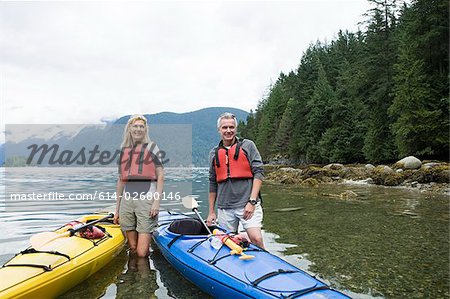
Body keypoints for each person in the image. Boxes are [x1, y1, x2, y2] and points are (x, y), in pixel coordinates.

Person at [206, 112, 265, 248]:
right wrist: (211, 211)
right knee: (228, 243)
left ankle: (266, 266)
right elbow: (212, 182)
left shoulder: (248, 146)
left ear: (236, 129)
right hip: (225, 207)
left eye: (231, 127)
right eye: (225, 127)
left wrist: (252, 201)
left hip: (247, 205)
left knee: (256, 238)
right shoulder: (213, 153)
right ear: (219, 130)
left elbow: (259, 173)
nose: (228, 131)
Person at [114, 114, 164, 257]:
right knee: (133, 249)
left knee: (142, 253)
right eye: (135, 126)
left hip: (146, 201)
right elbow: (121, 180)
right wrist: (117, 210)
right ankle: (132, 277)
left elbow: (160, 175)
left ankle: (144, 278)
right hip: (127, 202)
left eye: (141, 126)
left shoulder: (152, 147)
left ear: (145, 129)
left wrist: (156, 202)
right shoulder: (124, 151)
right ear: (130, 128)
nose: (138, 129)